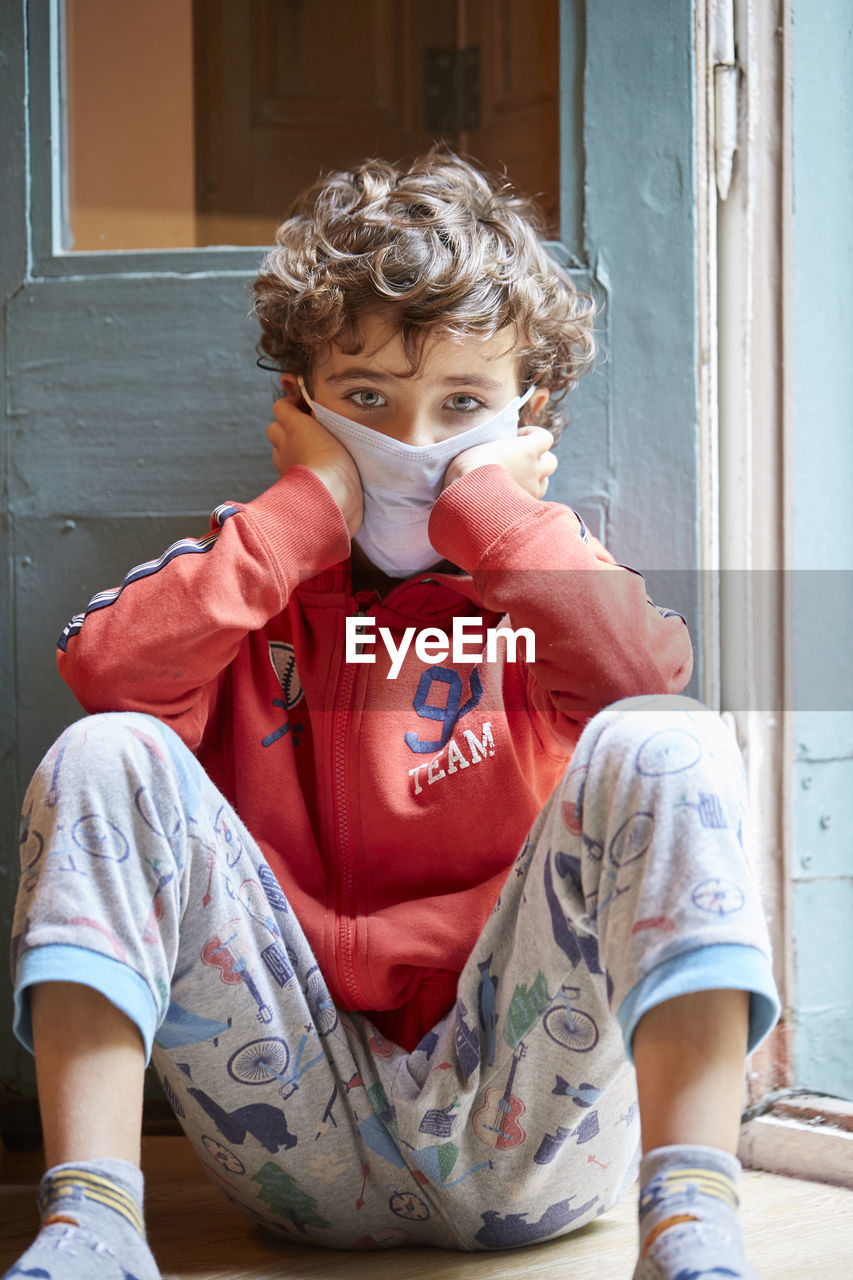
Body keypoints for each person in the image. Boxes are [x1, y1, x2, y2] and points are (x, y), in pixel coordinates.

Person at [5, 149, 779, 1280]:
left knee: (672, 736)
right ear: (301, 404)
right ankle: (91, 1220)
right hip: (291, 1131)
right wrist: (299, 515)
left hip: (530, 1125)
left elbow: (640, 676)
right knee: (102, 753)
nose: (413, 442)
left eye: (462, 405)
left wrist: (496, 517)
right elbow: (109, 674)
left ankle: (694, 1223)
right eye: (367, 399)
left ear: (528, 418)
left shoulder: (548, 585)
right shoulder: (244, 571)